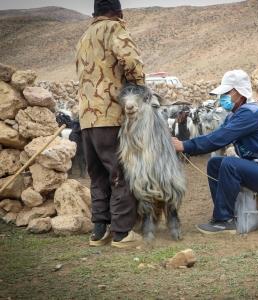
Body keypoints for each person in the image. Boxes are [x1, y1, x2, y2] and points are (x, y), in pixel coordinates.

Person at [172, 70, 258, 234]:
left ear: (240, 93)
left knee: (231, 164)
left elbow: (219, 139)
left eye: (227, 92)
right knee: (215, 164)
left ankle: (224, 221)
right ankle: (225, 215)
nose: (222, 97)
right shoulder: (234, 116)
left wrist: (184, 146)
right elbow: (215, 137)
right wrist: (186, 145)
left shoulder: (250, 114)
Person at [75, 0, 145, 248]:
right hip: (111, 116)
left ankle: (99, 231)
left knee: (97, 175)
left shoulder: (83, 38)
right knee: (120, 172)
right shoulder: (114, 29)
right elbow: (132, 62)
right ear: (117, 12)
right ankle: (122, 233)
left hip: (86, 119)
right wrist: (138, 90)